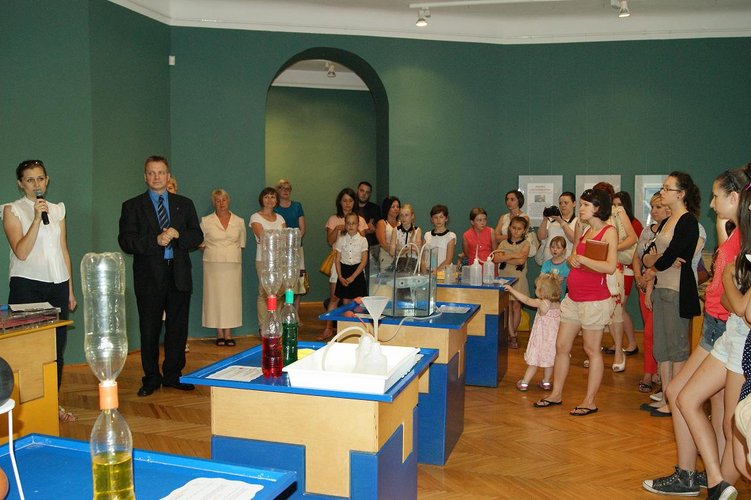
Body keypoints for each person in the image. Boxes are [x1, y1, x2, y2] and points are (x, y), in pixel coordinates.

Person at [643, 166, 749, 498]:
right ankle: (702, 476)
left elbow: (737, 298)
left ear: (736, 197)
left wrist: (726, 282)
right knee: (701, 405)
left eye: (718, 197)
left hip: (727, 327)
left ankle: (712, 480)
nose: (713, 204)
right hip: (720, 326)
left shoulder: (742, 237)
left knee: (722, 418)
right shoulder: (736, 231)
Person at [118, 155, 203, 397]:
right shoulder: (132, 206)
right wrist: (154, 240)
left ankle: (173, 375)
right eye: (152, 173)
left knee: (177, 328)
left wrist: (179, 235)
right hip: (148, 277)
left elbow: (197, 235)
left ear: (168, 176)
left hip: (179, 275)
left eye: (161, 172)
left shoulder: (184, 204)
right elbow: (126, 241)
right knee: (150, 329)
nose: (157, 177)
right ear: (145, 177)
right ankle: (151, 378)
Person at [3, 159, 77, 421]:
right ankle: (23, 410)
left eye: (41, 178)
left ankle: (52, 405)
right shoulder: (12, 210)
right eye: (30, 179)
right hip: (27, 285)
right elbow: (21, 252)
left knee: (55, 349)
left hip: (57, 284)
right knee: (27, 349)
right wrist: (35, 218)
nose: (37, 184)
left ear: (47, 180)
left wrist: (70, 289)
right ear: (20, 183)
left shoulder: (57, 210)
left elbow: (63, 250)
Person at [534, 188, 617, 416]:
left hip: (594, 300)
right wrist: (573, 259)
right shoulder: (584, 227)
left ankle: (589, 401)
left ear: (598, 208)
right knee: (561, 346)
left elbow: (610, 266)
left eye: (585, 205)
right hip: (573, 297)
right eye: (580, 204)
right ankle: (556, 394)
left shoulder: (609, 232)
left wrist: (583, 259)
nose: (580, 209)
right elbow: (574, 258)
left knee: (591, 349)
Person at [640, 172, 701, 418]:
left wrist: (654, 266)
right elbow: (647, 253)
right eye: (663, 187)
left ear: (681, 194)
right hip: (661, 289)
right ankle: (666, 397)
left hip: (677, 290)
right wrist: (655, 263)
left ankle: (675, 402)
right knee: (662, 348)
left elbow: (673, 255)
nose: (663, 192)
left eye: (667, 188)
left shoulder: (688, 221)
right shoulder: (666, 221)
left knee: (676, 347)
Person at [592, 181, 638, 373]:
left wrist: (612, 248)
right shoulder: (590, 213)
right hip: (594, 267)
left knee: (616, 311)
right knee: (594, 312)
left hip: (614, 267)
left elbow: (633, 238)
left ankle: (619, 351)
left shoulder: (617, 212)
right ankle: (594, 353)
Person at [199, 189, 246, 347]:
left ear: (228, 201)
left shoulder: (239, 221)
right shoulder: (206, 221)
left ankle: (228, 333)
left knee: (232, 298)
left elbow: (242, 244)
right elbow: (200, 244)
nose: (221, 203)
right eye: (217, 200)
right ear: (213, 203)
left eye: (224, 200)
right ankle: (219, 333)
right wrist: (216, 252)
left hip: (233, 264)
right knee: (215, 298)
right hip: (213, 265)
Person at [633, 193, 669, 394]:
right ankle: (651, 371)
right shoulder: (647, 231)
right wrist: (638, 276)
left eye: (658, 207)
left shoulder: (670, 232)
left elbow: (660, 262)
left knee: (652, 333)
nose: (654, 211)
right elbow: (637, 257)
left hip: (659, 288)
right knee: (649, 335)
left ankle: (656, 374)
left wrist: (649, 277)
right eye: (652, 207)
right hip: (643, 288)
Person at [321, 188, 368, 340]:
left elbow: (362, 241)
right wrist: (337, 229)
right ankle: (328, 328)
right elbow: (330, 241)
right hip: (339, 263)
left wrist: (353, 228)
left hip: (355, 265)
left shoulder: (360, 220)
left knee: (356, 299)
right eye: (344, 200)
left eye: (350, 200)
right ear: (340, 202)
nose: (347, 203)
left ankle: (354, 329)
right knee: (335, 297)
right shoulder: (333, 219)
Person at [504, 273, 561, 391]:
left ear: (542, 292)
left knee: (534, 362)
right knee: (549, 361)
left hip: (540, 340)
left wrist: (511, 290)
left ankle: (524, 382)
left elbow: (525, 299)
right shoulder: (558, 304)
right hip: (553, 340)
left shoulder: (542, 303)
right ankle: (546, 382)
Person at [250, 187, 286, 330]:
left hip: (279, 260)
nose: (270, 200)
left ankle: (275, 324)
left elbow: (284, 240)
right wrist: (277, 239)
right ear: (262, 199)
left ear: (276, 200)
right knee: (264, 292)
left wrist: (277, 240)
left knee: (279, 292)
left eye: (273, 197)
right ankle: (264, 327)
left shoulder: (280, 218)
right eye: (266, 197)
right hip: (263, 260)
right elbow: (263, 238)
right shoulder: (255, 217)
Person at [494, 216, 530, 349]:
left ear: (524, 230)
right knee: (507, 306)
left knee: (516, 307)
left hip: (519, 278)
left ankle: (512, 333)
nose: (516, 231)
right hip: (504, 278)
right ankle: (512, 335)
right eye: (514, 228)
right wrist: (514, 255)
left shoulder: (526, 244)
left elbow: (521, 261)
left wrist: (505, 257)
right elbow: (496, 258)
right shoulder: (503, 243)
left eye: (519, 229)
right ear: (509, 228)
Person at [274, 179, 307, 309]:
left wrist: (294, 243)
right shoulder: (274, 208)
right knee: (282, 282)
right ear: (277, 190)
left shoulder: (297, 206)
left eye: (288, 188)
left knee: (297, 283)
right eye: (282, 188)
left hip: (296, 249)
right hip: (280, 250)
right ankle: (282, 313)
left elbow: (302, 229)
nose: (285, 191)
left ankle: (295, 314)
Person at [334, 212, 369, 303]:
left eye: (354, 223)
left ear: (358, 224)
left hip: (357, 272)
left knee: (358, 302)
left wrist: (353, 276)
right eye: (348, 223)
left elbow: (364, 261)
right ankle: (347, 313)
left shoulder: (363, 240)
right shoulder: (341, 239)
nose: (351, 226)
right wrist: (340, 277)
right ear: (345, 224)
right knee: (346, 301)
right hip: (344, 271)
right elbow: (337, 260)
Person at [537, 191, 577, 262]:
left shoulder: (577, 221)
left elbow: (574, 239)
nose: (563, 205)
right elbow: (541, 237)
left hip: (567, 261)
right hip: (548, 260)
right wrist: (545, 219)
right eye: (560, 203)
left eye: (566, 203)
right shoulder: (551, 220)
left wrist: (560, 221)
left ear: (574, 203)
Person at [423, 204, 456, 272]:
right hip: (428, 273)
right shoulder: (427, 235)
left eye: (441, 217)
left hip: (443, 273)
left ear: (446, 218)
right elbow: (422, 258)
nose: (438, 220)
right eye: (435, 217)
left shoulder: (451, 236)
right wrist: (424, 272)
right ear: (432, 219)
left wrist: (435, 273)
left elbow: (448, 260)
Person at [390, 203, 422, 268]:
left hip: (413, 263)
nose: (403, 218)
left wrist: (401, 249)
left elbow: (418, 251)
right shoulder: (396, 230)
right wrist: (402, 250)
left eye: (406, 215)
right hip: (399, 262)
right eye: (401, 215)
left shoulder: (417, 230)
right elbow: (391, 252)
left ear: (412, 216)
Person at [375, 196, 400, 272]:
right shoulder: (382, 223)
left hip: (400, 258)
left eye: (398, 207)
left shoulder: (401, 223)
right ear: (387, 208)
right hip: (386, 257)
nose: (396, 209)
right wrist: (393, 252)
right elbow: (383, 243)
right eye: (393, 207)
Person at [355, 181, 381, 255]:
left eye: (367, 192)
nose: (364, 194)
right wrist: (366, 228)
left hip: (371, 246)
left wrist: (358, 229)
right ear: (357, 190)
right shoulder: (351, 208)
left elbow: (374, 229)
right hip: (352, 246)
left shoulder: (375, 208)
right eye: (362, 191)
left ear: (370, 194)